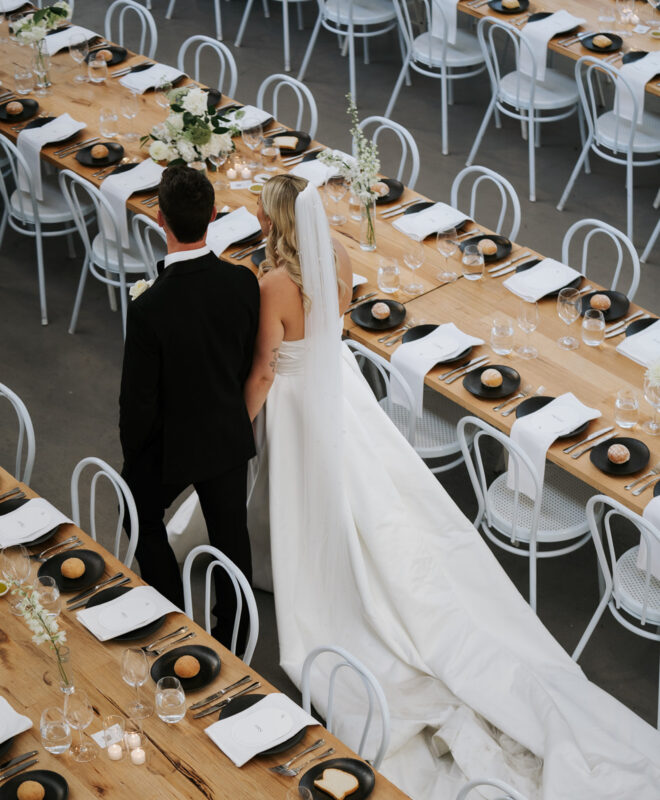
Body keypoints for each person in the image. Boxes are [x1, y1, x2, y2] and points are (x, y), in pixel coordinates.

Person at [172, 175, 660, 799]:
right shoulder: (339, 257)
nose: (258, 223)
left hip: (297, 400)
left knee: (308, 496)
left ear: (279, 223)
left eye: (264, 217)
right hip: (339, 386)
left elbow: (267, 367)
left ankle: (299, 565)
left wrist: (234, 428)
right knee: (367, 490)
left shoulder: (272, 283)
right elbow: (335, 327)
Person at [119, 166, 259, 647]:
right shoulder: (243, 283)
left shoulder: (148, 309)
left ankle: (172, 618)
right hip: (225, 434)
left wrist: (134, 458)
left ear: (160, 219)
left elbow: (137, 402)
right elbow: (244, 359)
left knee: (135, 508)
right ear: (214, 216)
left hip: (172, 444)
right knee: (230, 539)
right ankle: (234, 639)